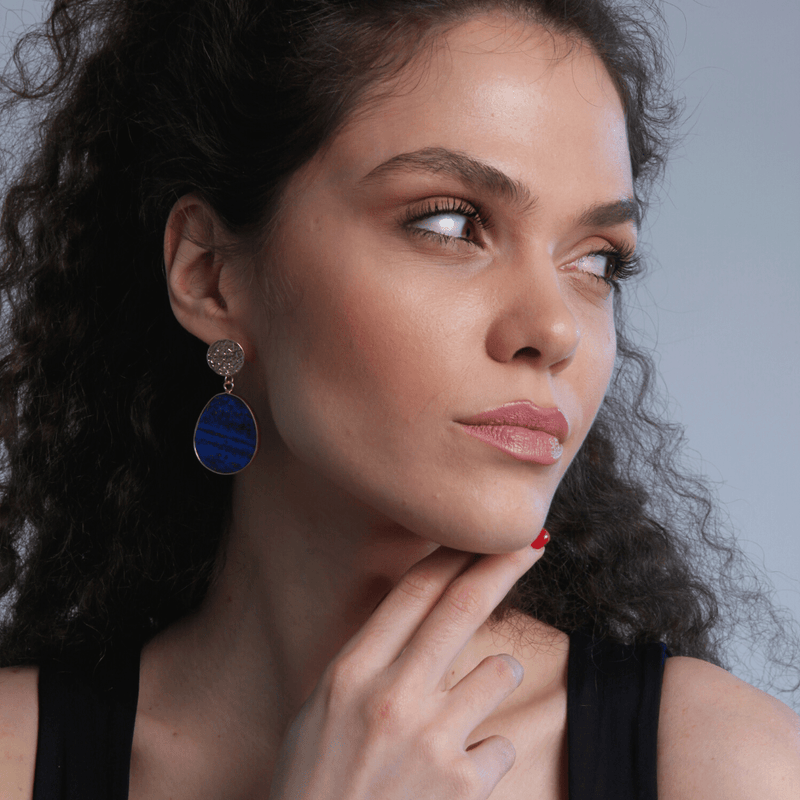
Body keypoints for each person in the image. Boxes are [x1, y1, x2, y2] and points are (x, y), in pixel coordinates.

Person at [0, 0, 798, 798]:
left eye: (596, 262)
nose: (556, 329)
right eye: (451, 223)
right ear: (211, 274)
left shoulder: (727, 769)